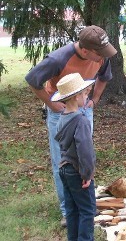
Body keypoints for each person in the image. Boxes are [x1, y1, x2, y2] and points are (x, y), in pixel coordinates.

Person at [25, 25, 117, 226]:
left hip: (85, 107)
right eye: (99, 53)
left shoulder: (101, 54)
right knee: (64, 161)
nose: (103, 57)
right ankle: (68, 211)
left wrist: (95, 99)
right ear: (85, 50)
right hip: (61, 112)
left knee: (84, 155)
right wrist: (52, 103)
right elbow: (32, 80)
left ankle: (85, 204)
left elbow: (104, 76)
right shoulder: (58, 59)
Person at [52, 73, 97, 241]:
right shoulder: (81, 121)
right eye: (85, 94)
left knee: (72, 210)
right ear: (77, 96)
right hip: (78, 172)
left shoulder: (62, 118)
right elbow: (85, 151)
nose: (86, 97)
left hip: (64, 169)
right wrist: (87, 174)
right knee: (87, 210)